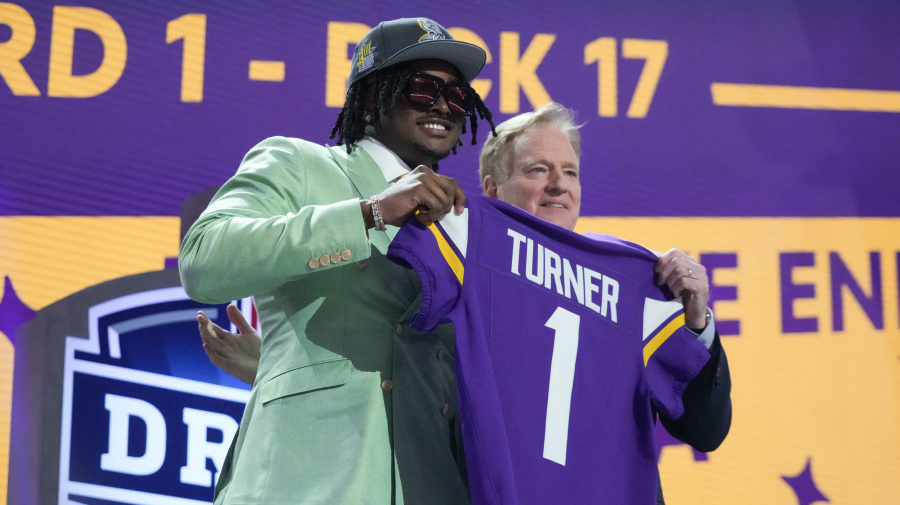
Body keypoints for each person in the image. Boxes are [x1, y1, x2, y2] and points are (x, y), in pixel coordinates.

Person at [197, 103, 732, 504]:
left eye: (569, 172)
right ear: (491, 188)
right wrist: (282, 362)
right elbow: (433, 383)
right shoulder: (469, 254)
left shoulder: (632, 278)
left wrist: (697, 321)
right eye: (537, 170)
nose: (557, 186)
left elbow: (705, 427)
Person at [180, 17, 496, 505]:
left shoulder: (467, 227)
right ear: (371, 99)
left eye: (458, 97)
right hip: (304, 482)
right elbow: (204, 259)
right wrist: (369, 212)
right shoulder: (298, 162)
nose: (442, 106)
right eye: (422, 89)